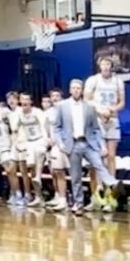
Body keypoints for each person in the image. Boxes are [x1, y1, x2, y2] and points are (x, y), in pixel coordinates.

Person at [51, 77, 118, 215]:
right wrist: (61, 143)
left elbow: (96, 129)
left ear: (81, 91)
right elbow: (57, 128)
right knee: (75, 177)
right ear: (70, 90)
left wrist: (102, 145)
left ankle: (112, 183)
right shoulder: (62, 106)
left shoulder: (89, 107)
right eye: (74, 88)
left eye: (78, 88)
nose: (76, 90)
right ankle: (78, 204)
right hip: (72, 144)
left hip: (88, 143)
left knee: (98, 164)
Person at [84, 56, 125, 211]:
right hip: (97, 120)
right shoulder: (93, 80)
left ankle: (110, 197)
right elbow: (86, 99)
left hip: (112, 119)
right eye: (103, 63)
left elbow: (122, 102)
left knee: (111, 157)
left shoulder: (117, 81)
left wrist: (111, 110)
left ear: (111, 66)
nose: (106, 66)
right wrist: (100, 110)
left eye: (108, 64)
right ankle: (96, 197)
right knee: (96, 159)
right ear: (99, 65)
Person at [12, 92, 47, 207]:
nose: (24, 101)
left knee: (40, 152)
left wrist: (46, 140)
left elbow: (44, 127)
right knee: (31, 167)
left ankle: (38, 176)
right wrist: (16, 142)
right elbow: (15, 129)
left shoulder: (38, 112)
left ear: (31, 102)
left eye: (27, 99)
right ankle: (38, 196)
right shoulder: (19, 114)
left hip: (39, 139)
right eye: (22, 99)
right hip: (29, 142)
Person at [43, 87, 70, 211]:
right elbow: (45, 129)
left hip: (65, 145)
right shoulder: (48, 113)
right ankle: (59, 197)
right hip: (53, 147)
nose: (55, 98)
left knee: (66, 173)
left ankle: (69, 199)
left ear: (61, 97)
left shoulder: (67, 110)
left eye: (57, 96)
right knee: (55, 171)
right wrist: (48, 139)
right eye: (53, 96)